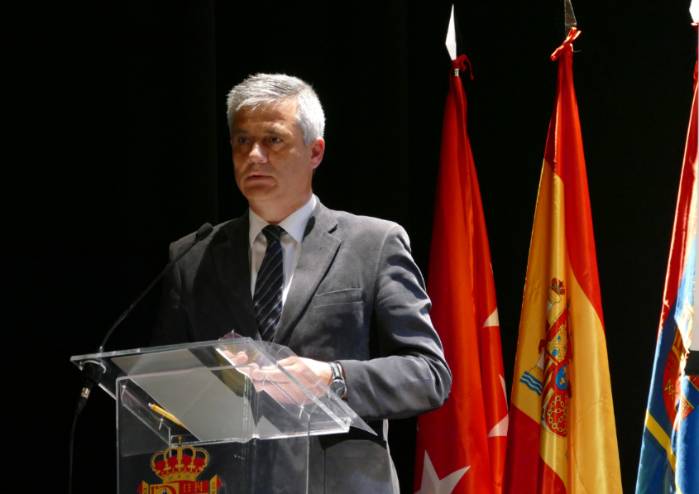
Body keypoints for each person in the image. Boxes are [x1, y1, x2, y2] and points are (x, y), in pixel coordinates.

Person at [154, 73, 451, 493]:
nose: (254, 155)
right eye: (242, 141)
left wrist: (333, 378)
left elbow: (428, 375)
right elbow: (165, 384)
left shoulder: (372, 244)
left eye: (273, 140)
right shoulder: (192, 255)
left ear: (315, 151)